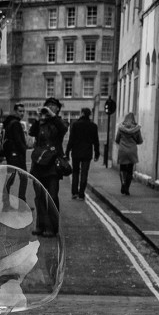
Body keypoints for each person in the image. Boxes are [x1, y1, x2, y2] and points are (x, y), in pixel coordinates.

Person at [28, 99, 68, 237]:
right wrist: (39, 118)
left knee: (52, 195)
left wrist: (53, 116)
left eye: (53, 106)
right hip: (38, 164)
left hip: (52, 165)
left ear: (57, 109)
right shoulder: (41, 122)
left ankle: (51, 227)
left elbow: (63, 129)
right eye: (48, 106)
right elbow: (31, 132)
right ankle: (40, 225)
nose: (50, 108)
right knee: (39, 197)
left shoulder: (60, 122)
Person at [65, 106, 100, 199]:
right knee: (84, 173)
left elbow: (71, 139)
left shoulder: (75, 125)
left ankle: (74, 192)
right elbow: (96, 141)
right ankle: (81, 194)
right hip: (87, 153)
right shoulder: (93, 126)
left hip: (76, 152)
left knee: (75, 173)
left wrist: (67, 152)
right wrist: (97, 153)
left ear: (82, 113)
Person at [115, 112, 143, 195]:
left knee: (122, 168)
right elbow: (140, 141)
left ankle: (123, 183)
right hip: (132, 150)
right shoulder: (136, 129)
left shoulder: (121, 128)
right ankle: (127, 188)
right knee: (130, 170)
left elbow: (117, 140)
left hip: (122, 150)